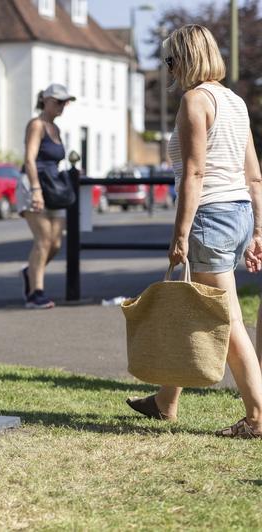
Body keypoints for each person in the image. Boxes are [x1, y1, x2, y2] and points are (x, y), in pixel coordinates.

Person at [126, 24, 262, 438]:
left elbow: (195, 172)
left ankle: (257, 416)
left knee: (227, 319)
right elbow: (254, 176)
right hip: (237, 212)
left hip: (210, 215)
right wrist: (257, 231)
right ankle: (166, 400)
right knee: (193, 306)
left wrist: (181, 232)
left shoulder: (194, 100)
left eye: (170, 60)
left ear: (185, 58)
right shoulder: (234, 101)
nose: (167, 68)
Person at [16, 83, 76, 309]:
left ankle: (30, 272)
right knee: (43, 240)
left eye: (65, 102)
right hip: (34, 185)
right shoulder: (37, 125)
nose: (62, 106)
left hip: (54, 188)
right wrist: (35, 189)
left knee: (56, 243)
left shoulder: (56, 129)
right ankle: (35, 293)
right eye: (58, 101)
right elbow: (30, 159)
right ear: (46, 100)